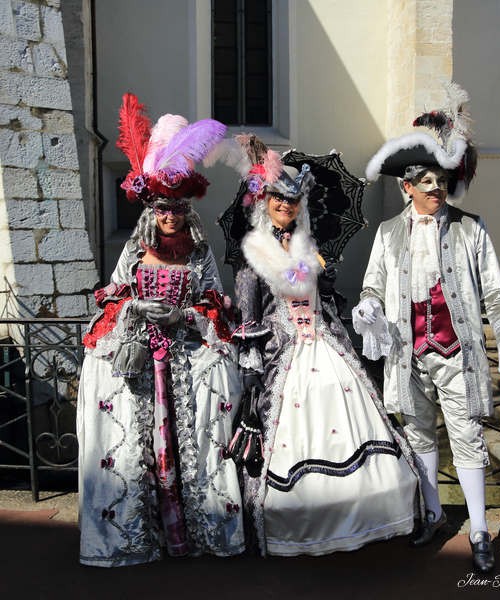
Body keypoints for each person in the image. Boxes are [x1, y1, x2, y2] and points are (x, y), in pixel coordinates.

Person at [214, 134, 420, 557]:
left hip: (325, 343)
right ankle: (297, 525)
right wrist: (251, 364)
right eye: (278, 200)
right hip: (281, 352)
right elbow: (250, 314)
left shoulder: (310, 247)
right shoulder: (252, 254)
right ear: (265, 201)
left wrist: (323, 282)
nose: (285, 208)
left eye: (292, 202)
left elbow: (323, 304)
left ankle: (372, 515)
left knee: (345, 400)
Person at [353, 83, 500, 574]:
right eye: (424, 181)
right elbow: (372, 287)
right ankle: (431, 514)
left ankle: (477, 528)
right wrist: (367, 310)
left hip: (458, 352)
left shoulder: (472, 229)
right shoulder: (388, 234)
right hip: (408, 353)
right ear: (406, 186)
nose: (434, 189)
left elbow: (493, 294)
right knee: (420, 436)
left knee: (467, 436)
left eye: (441, 181)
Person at [77, 94, 244, 567]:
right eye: (161, 208)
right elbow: (112, 295)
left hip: (186, 359)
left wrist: (183, 316)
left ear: (187, 210)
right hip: (141, 363)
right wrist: (134, 307)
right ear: (150, 211)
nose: (169, 215)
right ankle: (140, 536)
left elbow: (215, 303)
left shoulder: (197, 253)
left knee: (188, 441)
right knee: (138, 442)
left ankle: (190, 535)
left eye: (175, 207)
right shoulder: (134, 251)